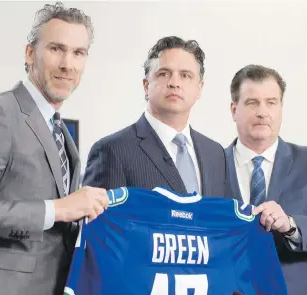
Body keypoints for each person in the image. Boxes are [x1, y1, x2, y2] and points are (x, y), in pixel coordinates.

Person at [0, 3, 109, 295]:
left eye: (78, 53)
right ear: (30, 53)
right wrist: (57, 209)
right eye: (56, 48)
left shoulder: (59, 129)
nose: (68, 64)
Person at [224, 64, 307, 295]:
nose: (263, 112)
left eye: (271, 102)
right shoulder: (209, 162)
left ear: (281, 109)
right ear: (234, 110)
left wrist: (290, 225)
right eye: (252, 103)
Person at [83, 36, 230, 197]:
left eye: (185, 75)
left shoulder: (215, 154)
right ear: (146, 86)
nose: (174, 83)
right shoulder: (111, 151)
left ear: (199, 89)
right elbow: (101, 221)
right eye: (164, 74)